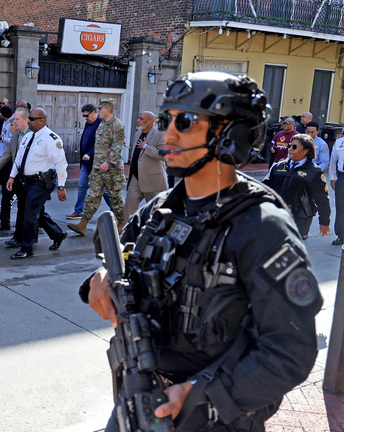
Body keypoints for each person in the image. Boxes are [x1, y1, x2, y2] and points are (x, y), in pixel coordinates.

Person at [81, 71, 322, 432]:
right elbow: (119, 259)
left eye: (186, 121)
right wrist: (98, 280)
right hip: (140, 399)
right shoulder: (161, 208)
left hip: (213, 415)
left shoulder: (261, 226)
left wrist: (202, 395)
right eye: (166, 120)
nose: (169, 134)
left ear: (229, 134)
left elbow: (292, 350)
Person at [6, 108, 68, 259]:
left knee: (30, 214)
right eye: (28, 119)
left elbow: (61, 164)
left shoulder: (52, 139)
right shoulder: (28, 137)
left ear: (42, 120)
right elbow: (19, 159)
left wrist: (61, 186)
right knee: (36, 212)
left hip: (41, 183)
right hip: (25, 182)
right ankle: (57, 234)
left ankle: (26, 249)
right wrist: (12, 176)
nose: (29, 121)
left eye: (31, 119)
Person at [68, 98, 127, 235]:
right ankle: (83, 224)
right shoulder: (101, 125)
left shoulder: (117, 125)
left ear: (108, 109)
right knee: (92, 196)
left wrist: (108, 162)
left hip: (112, 169)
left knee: (115, 197)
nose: (98, 111)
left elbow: (117, 146)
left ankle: (122, 223)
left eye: (100, 109)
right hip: (97, 168)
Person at [263, 134, 331, 239]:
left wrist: (324, 222)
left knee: (289, 246)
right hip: (277, 213)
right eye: (289, 145)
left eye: (294, 147)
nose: (290, 149)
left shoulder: (314, 172)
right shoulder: (278, 166)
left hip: (300, 216)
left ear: (306, 150)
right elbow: (264, 187)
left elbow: (322, 198)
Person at [0, 108, 30, 241]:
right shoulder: (16, 136)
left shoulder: (31, 135)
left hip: (27, 173)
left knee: (30, 206)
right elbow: (9, 154)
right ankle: (12, 229)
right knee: (10, 196)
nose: (13, 124)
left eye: (16, 121)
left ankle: (51, 232)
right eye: (12, 122)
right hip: (11, 168)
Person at [67, 103, 109, 220]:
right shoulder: (87, 124)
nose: (85, 118)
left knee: (103, 189)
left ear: (94, 113)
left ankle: (116, 210)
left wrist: (90, 154)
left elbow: (101, 145)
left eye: (87, 116)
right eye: (84, 116)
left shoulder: (101, 124)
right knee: (82, 187)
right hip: (86, 162)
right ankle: (78, 211)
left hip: (97, 162)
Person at [124, 110, 167, 219]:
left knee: (157, 210)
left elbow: (164, 156)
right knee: (129, 205)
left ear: (150, 122)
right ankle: (127, 232)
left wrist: (146, 147)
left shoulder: (160, 134)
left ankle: (156, 233)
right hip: (135, 177)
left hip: (153, 179)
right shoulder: (137, 134)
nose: (138, 120)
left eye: (141, 119)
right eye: (138, 118)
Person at [328, 131, 344, 245]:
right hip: (343, 178)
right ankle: (341, 235)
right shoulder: (339, 142)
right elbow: (333, 161)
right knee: (341, 208)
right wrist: (333, 178)